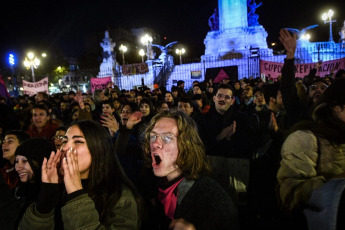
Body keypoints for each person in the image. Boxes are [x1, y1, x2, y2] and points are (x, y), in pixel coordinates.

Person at [18, 120, 142, 229]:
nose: (65, 147)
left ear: (97, 149)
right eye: (64, 141)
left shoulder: (119, 197)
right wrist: (45, 202)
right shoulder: (57, 188)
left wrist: (76, 194)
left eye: (77, 141)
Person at [141, 110, 239, 230]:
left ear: (186, 145)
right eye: (153, 136)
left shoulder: (210, 198)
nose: (155, 143)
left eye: (167, 137)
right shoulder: (152, 186)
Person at [277, 78, 345, 229]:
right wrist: (336, 186)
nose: (318, 90)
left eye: (323, 87)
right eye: (314, 87)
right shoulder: (306, 139)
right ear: (336, 107)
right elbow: (290, 194)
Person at [0, 138, 53, 230]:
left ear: (40, 162)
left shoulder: (48, 195)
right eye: (17, 161)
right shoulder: (19, 191)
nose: (18, 167)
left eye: (24, 161)